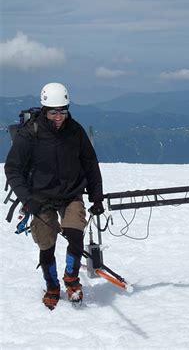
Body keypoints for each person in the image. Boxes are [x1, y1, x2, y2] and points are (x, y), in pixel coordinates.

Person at [4, 82, 105, 310]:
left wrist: (96, 197)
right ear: (44, 109)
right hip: (39, 198)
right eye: (53, 112)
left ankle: (71, 280)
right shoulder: (30, 133)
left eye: (63, 111)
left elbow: (90, 164)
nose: (59, 117)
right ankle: (52, 287)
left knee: (74, 234)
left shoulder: (75, 131)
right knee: (46, 243)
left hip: (71, 193)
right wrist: (27, 199)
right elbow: (12, 169)